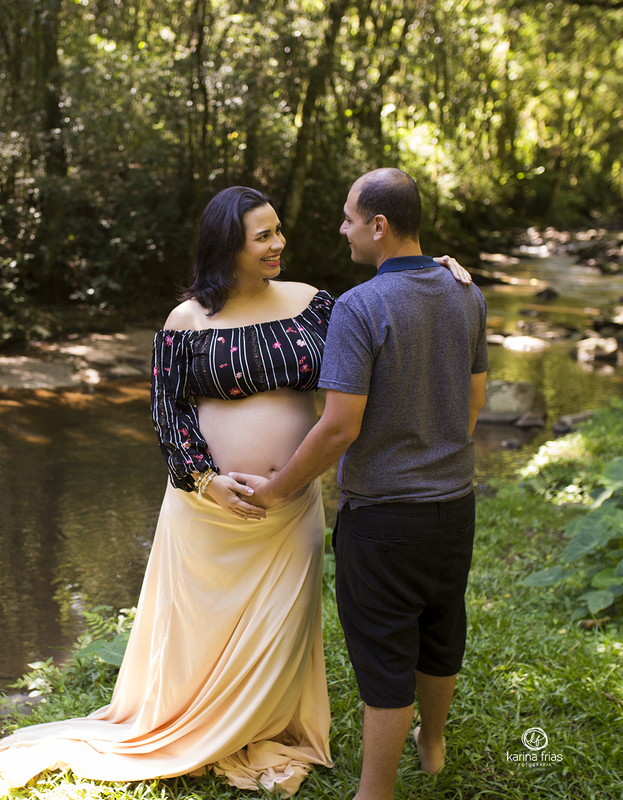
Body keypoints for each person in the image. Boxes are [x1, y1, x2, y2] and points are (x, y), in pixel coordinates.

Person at [0, 186, 468, 799]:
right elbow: (167, 411)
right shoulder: (186, 320)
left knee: (278, 636)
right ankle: (194, 724)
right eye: (264, 236)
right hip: (209, 513)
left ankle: (261, 725)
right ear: (229, 245)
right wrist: (206, 478)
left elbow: (387, 326)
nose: (280, 243)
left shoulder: (317, 305)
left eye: (279, 231)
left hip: (289, 510)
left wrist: (439, 272)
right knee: (202, 634)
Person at [231, 168, 488, 800]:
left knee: (384, 655)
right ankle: (433, 744)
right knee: (440, 626)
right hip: (455, 505)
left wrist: (275, 489)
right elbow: (474, 404)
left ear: (378, 226)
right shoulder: (466, 293)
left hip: (384, 517)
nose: (340, 228)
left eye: (348, 217)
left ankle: (375, 794)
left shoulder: (360, 306)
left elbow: (339, 427)